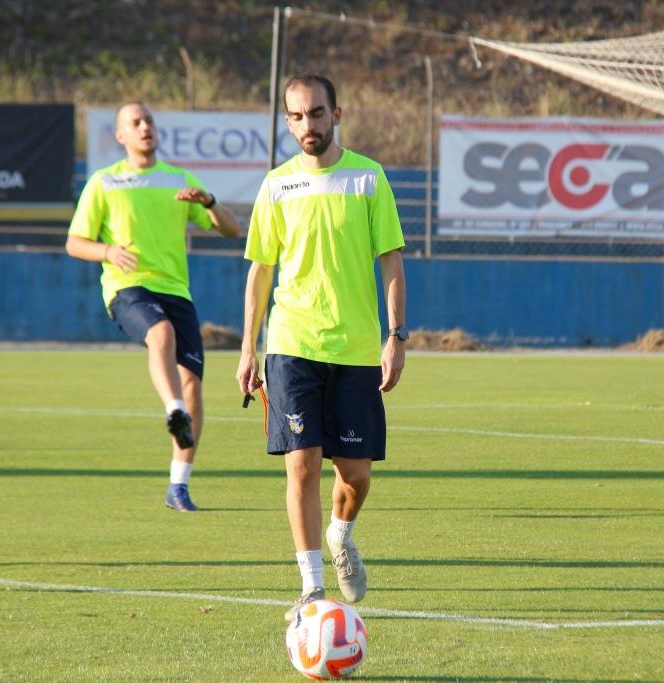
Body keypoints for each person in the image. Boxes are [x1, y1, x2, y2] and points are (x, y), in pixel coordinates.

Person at [236, 74, 408, 620]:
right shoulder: (276, 186)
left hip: (356, 349)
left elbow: (392, 261)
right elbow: (261, 272)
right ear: (287, 121)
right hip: (291, 344)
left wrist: (396, 335)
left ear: (338, 113)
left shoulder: (368, 178)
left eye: (315, 114)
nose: (306, 126)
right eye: (296, 117)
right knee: (302, 465)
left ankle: (341, 533)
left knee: (354, 476)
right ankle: (311, 588)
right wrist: (247, 348)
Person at [66, 102, 241, 512]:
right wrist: (108, 251)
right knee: (160, 333)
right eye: (135, 123)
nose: (145, 127)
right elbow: (75, 242)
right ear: (121, 136)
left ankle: (178, 487)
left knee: (194, 384)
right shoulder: (104, 183)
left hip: (176, 292)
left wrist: (210, 201)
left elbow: (232, 229)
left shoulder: (177, 180)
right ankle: (173, 407)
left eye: (149, 121)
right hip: (128, 289)